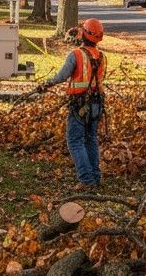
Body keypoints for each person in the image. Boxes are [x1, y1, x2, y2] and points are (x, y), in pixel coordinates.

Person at [40, 18, 106, 189]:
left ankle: (86, 180)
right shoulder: (101, 57)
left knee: (75, 141)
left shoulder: (76, 55)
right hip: (96, 104)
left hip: (80, 104)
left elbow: (62, 76)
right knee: (91, 139)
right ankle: (95, 178)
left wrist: (47, 83)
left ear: (83, 33)